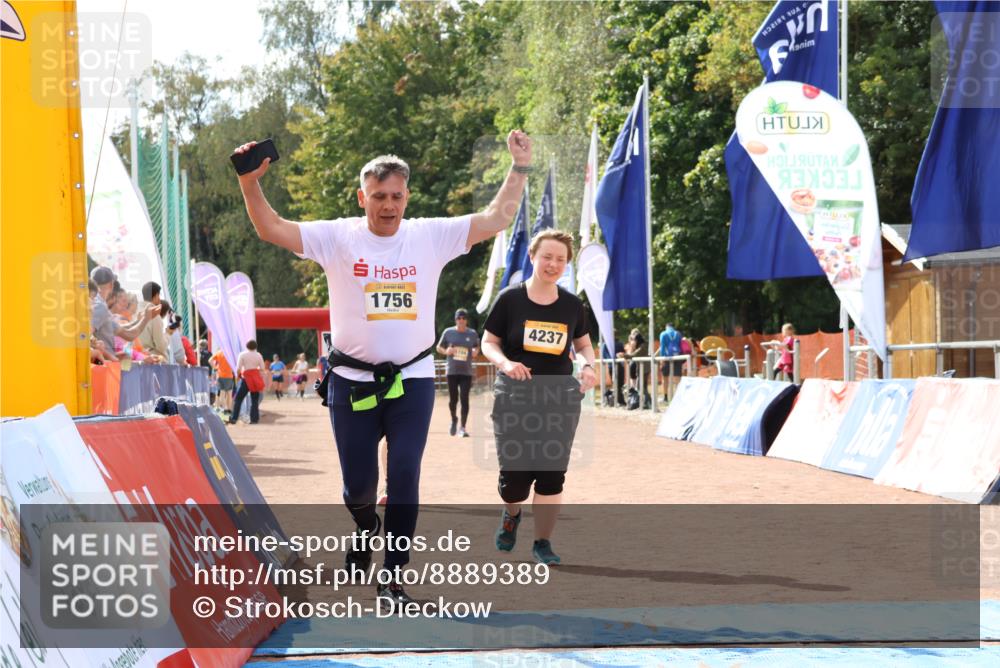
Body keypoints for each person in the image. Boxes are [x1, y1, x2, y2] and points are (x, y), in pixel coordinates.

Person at [233, 128, 533, 609]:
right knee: (358, 487)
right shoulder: (337, 237)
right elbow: (272, 228)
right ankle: (364, 525)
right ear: (362, 197)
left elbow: (497, 217)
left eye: (396, 196)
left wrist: (518, 168)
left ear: (407, 196)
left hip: (411, 380)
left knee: (406, 475)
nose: (388, 205)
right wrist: (250, 182)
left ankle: (392, 579)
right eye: (378, 197)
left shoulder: (429, 236)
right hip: (351, 382)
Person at [481, 229, 597, 565]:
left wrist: (589, 366)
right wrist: (506, 364)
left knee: (551, 474)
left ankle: (542, 543)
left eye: (560, 259)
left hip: (559, 397)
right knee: (514, 480)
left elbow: (583, 344)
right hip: (514, 396)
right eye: (547, 256)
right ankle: (511, 513)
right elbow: (489, 342)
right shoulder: (510, 299)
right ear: (532, 256)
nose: (553, 264)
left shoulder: (572, 305)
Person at [89, 268, 158, 352]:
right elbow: (128, 335)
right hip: (104, 360)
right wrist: (146, 318)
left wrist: (139, 320)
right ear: (111, 285)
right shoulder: (100, 306)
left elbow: (121, 329)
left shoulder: (99, 304)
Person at [436, 308, 480, 437]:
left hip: (466, 372)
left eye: (463, 318)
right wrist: (446, 351)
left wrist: (476, 351)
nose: (461, 320)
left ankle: (463, 428)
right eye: (459, 318)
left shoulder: (472, 333)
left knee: (464, 398)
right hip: (452, 371)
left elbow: (477, 346)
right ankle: (454, 419)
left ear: (466, 320)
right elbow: (438, 347)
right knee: (453, 399)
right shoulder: (448, 332)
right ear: (455, 320)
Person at [229, 339, 266, 425]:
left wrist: (238, 376)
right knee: (254, 400)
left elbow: (238, 368)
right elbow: (262, 368)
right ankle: (254, 419)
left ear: (247, 346)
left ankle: (234, 418)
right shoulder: (258, 355)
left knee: (238, 399)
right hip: (255, 379)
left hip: (245, 379)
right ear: (255, 346)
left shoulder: (242, 354)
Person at [138, 281, 169, 360]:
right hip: (153, 360)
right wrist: (168, 334)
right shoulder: (155, 316)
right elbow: (161, 346)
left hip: (136, 358)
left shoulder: (134, 312)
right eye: (159, 295)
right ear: (156, 295)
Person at [658, 322, 684, 401]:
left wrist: (662, 358)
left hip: (666, 357)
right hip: (677, 356)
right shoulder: (678, 334)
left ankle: (665, 397)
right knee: (677, 377)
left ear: (666, 327)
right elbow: (680, 345)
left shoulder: (663, 334)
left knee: (665, 378)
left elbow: (662, 347)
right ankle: (679, 397)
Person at [210, 348, 235, 415]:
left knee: (222, 394)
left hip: (220, 376)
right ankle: (229, 409)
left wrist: (215, 368)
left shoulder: (219, 353)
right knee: (229, 394)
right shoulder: (231, 353)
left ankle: (225, 409)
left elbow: (210, 360)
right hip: (229, 376)